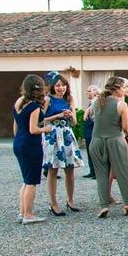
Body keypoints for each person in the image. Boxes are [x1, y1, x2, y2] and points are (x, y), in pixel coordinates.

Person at [89, 76, 128, 218]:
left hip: (96, 141)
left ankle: (104, 206)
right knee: (122, 172)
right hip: (115, 140)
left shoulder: (97, 102)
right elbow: (126, 127)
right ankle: (127, 204)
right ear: (116, 89)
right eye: (124, 87)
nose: (126, 89)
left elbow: (91, 117)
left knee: (101, 175)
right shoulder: (121, 105)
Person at [13, 74, 53, 224]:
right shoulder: (34, 107)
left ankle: (22, 212)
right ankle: (28, 214)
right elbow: (33, 128)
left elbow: (17, 124)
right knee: (31, 181)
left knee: (25, 179)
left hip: (19, 141)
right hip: (31, 144)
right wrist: (47, 129)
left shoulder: (19, 103)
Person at [41, 72, 83, 216]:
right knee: (53, 169)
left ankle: (70, 200)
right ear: (52, 87)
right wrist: (57, 115)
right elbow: (41, 120)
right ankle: (53, 203)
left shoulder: (69, 99)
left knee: (70, 169)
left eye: (63, 85)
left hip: (66, 133)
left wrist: (71, 116)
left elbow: (75, 123)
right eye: (58, 85)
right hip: (52, 134)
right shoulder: (48, 99)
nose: (61, 88)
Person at [81, 84, 99, 179]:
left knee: (94, 152)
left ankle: (96, 172)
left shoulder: (96, 102)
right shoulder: (90, 103)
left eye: (89, 91)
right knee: (89, 151)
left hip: (93, 131)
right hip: (88, 131)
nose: (87, 93)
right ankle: (92, 170)